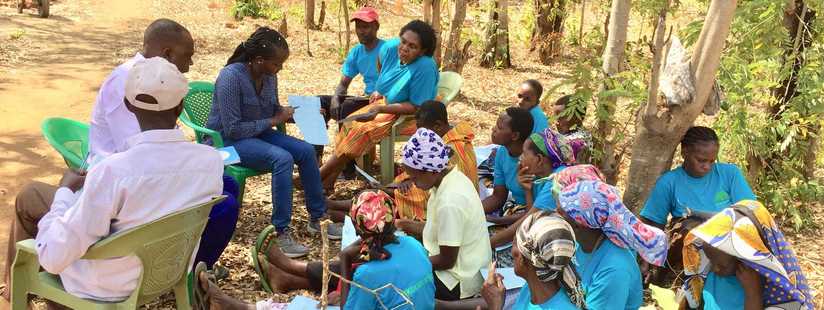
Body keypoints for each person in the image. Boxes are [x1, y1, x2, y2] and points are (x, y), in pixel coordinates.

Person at [3, 57, 224, 303]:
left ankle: (24, 292)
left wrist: (65, 192)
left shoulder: (114, 171)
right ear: (180, 107)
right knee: (38, 196)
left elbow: (53, 255)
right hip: (167, 272)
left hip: (103, 285)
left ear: (129, 106)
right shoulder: (211, 161)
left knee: (34, 200)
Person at [84, 18, 240, 278]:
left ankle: (190, 260)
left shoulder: (158, 80)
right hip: (125, 174)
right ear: (167, 53)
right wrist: (186, 167)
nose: (189, 66)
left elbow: (161, 139)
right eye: (187, 57)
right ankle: (179, 270)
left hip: (150, 165)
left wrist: (186, 161)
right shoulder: (126, 82)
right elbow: (133, 152)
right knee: (222, 205)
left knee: (227, 185)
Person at [206, 26, 341, 258]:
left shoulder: (268, 77)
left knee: (306, 151)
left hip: (257, 134)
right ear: (258, 60)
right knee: (282, 158)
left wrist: (301, 114)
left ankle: (317, 218)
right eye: (276, 64)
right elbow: (233, 128)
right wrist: (274, 119)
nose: (280, 68)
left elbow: (273, 110)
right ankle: (281, 232)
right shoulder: (230, 77)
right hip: (225, 142)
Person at [197, 191, 435, 310]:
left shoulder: (368, 275)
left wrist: (344, 258)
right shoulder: (414, 246)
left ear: (360, 231)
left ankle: (236, 306)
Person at [319, 20, 440, 189]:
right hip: (386, 104)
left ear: (423, 51)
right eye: (403, 41)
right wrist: (380, 91)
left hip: (411, 115)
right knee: (350, 122)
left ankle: (319, 175)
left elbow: (416, 106)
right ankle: (329, 180)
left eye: (412, 46)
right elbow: (381, 65)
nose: (404, 48)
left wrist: (381, 108)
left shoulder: (425, 67)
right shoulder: (391, 49)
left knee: (361, 131)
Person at [639, 126, 756, 283]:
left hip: (730, 247)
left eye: (711, 161)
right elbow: (652, 225)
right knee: (688, 227)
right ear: (685, 152)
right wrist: (645, 262)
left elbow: (751, 210)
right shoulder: (670, 182)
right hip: (689, 255)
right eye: (701, 160)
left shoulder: (729, 174)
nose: (707, 166)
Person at [394, 128, 492, 301]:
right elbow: (438, 229)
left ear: (430, 171)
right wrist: (402, 224)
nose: (414, 184)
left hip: (458, 281)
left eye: (414, 178)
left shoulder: (450, 200)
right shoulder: (450, 179)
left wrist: (409, 265)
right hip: (460, 266)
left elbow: (447, 261)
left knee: (395, 285)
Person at [680, 200, 814, 310]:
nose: (714, 269)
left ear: (747, 258)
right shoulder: (716, 276)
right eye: (711, 260)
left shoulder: (775, 287)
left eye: (721, 265)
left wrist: (753, 293)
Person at [557, 180, 669, 310]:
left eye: (560, 213)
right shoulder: (578, 242)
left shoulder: (614, 269)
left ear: (577, 225)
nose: (553, 215)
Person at [487, 128, 576, 249]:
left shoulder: (556, 182)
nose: (520, 159)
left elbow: (527, 223)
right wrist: (527, 190)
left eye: (524, 154)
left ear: (539, 159)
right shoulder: (545, 177)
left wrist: (487, 244)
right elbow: (532, 215)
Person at [393, 100, 478, 221]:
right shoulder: (446, 137)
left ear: (437, 126)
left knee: (403, 194)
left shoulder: (454, 150)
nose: (420, 135)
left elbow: (434, 182)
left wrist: (397, 188)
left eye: (422, 130)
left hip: (460, 207)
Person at [481, 211, 584, 310]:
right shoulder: (533, 286)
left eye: (514, 243)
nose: (512, 251)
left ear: (521, 259)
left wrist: (495, 306)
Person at [482, 107, 533, 219]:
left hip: (532, 215)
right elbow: (498, 197)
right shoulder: (502, 152)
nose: (493, 129)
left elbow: (535, 211)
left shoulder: (532, 161)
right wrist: (472, 211)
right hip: (515, 210)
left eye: (499, 127)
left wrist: (499, 221)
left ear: (514, 136)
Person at [550, 95, 591, 163]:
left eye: (560, 117)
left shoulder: (570, 142)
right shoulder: (586, 134)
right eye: (555, 117)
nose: (556, 121)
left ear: (577, 119)